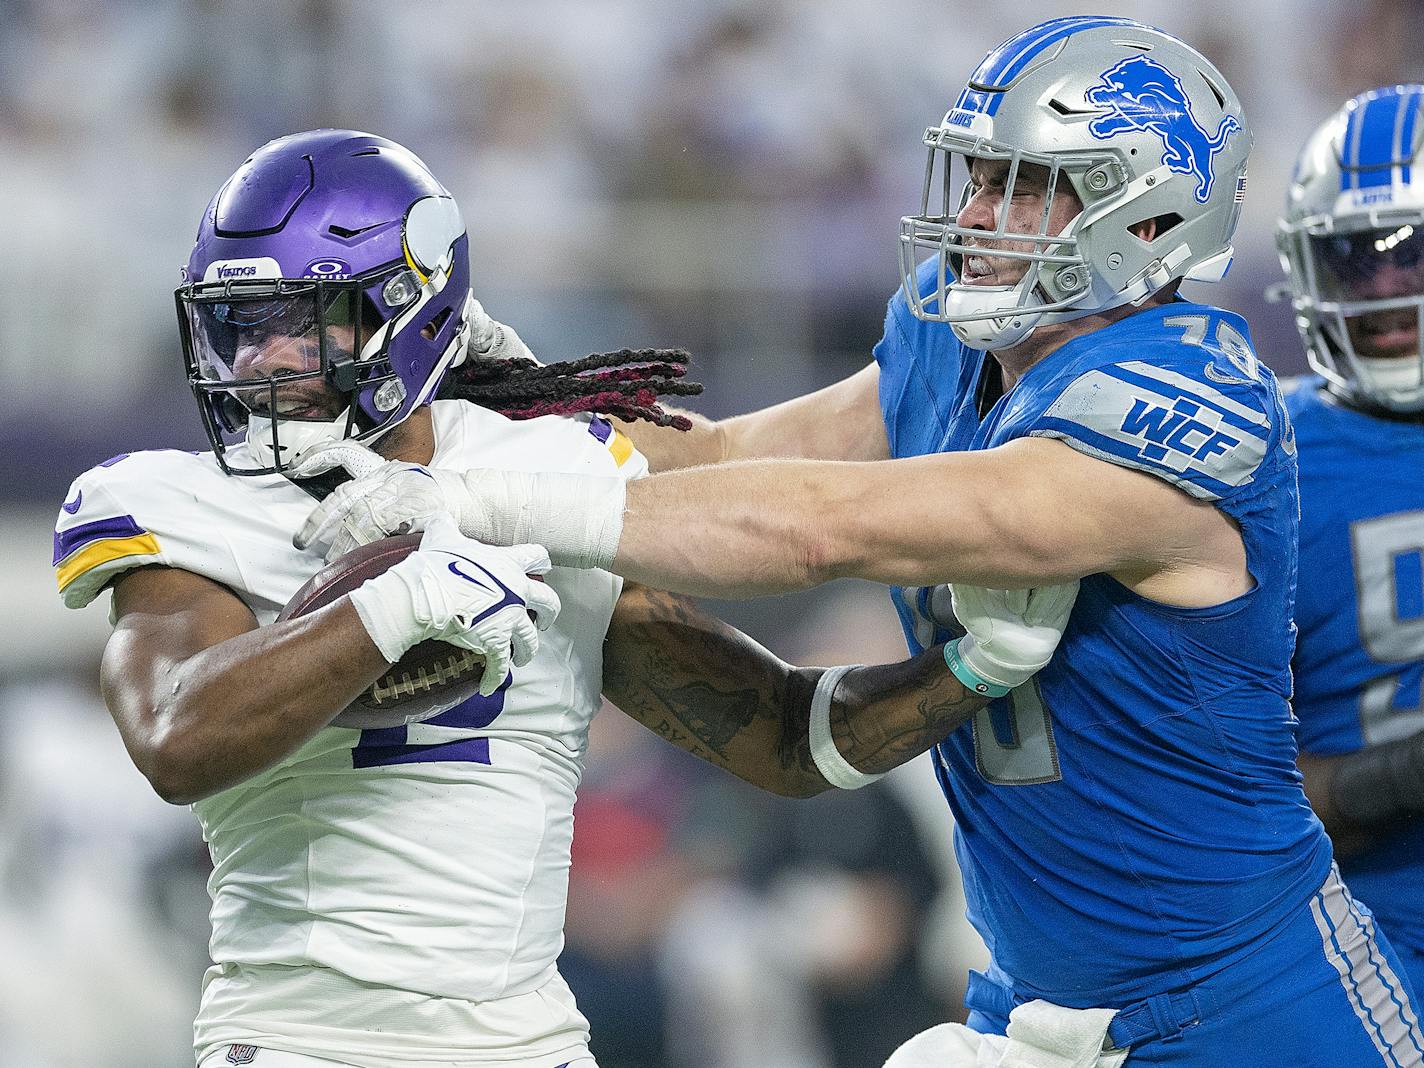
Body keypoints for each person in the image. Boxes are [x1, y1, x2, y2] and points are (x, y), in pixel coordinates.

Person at [299, 20, 1424, 1067]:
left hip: (1240, 1002)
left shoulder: (1189, 399)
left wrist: (500, 499)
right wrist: (492, 415)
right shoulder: (949, 329)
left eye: (1024, 187)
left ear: (1146, 216)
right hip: (1027, 997)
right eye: (979, 177)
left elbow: (819, 526)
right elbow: (729, 454)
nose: (976, 214)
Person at [52, 129, 1073, 1068]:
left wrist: (972, 665)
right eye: (240, 326)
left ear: (413, 316)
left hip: (531, 1043)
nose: (262, 360)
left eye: (301, 323)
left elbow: (777, 737)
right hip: (299, 1042)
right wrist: (395, 603)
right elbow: (174, 736)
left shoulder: (547, 475)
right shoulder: (177, 503)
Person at [1277, 84, 1424, 998]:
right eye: (1354, 262)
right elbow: (1206, 798)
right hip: (1357, 939)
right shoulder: (1263, 461)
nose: (1386, 294)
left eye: (1412, 255)